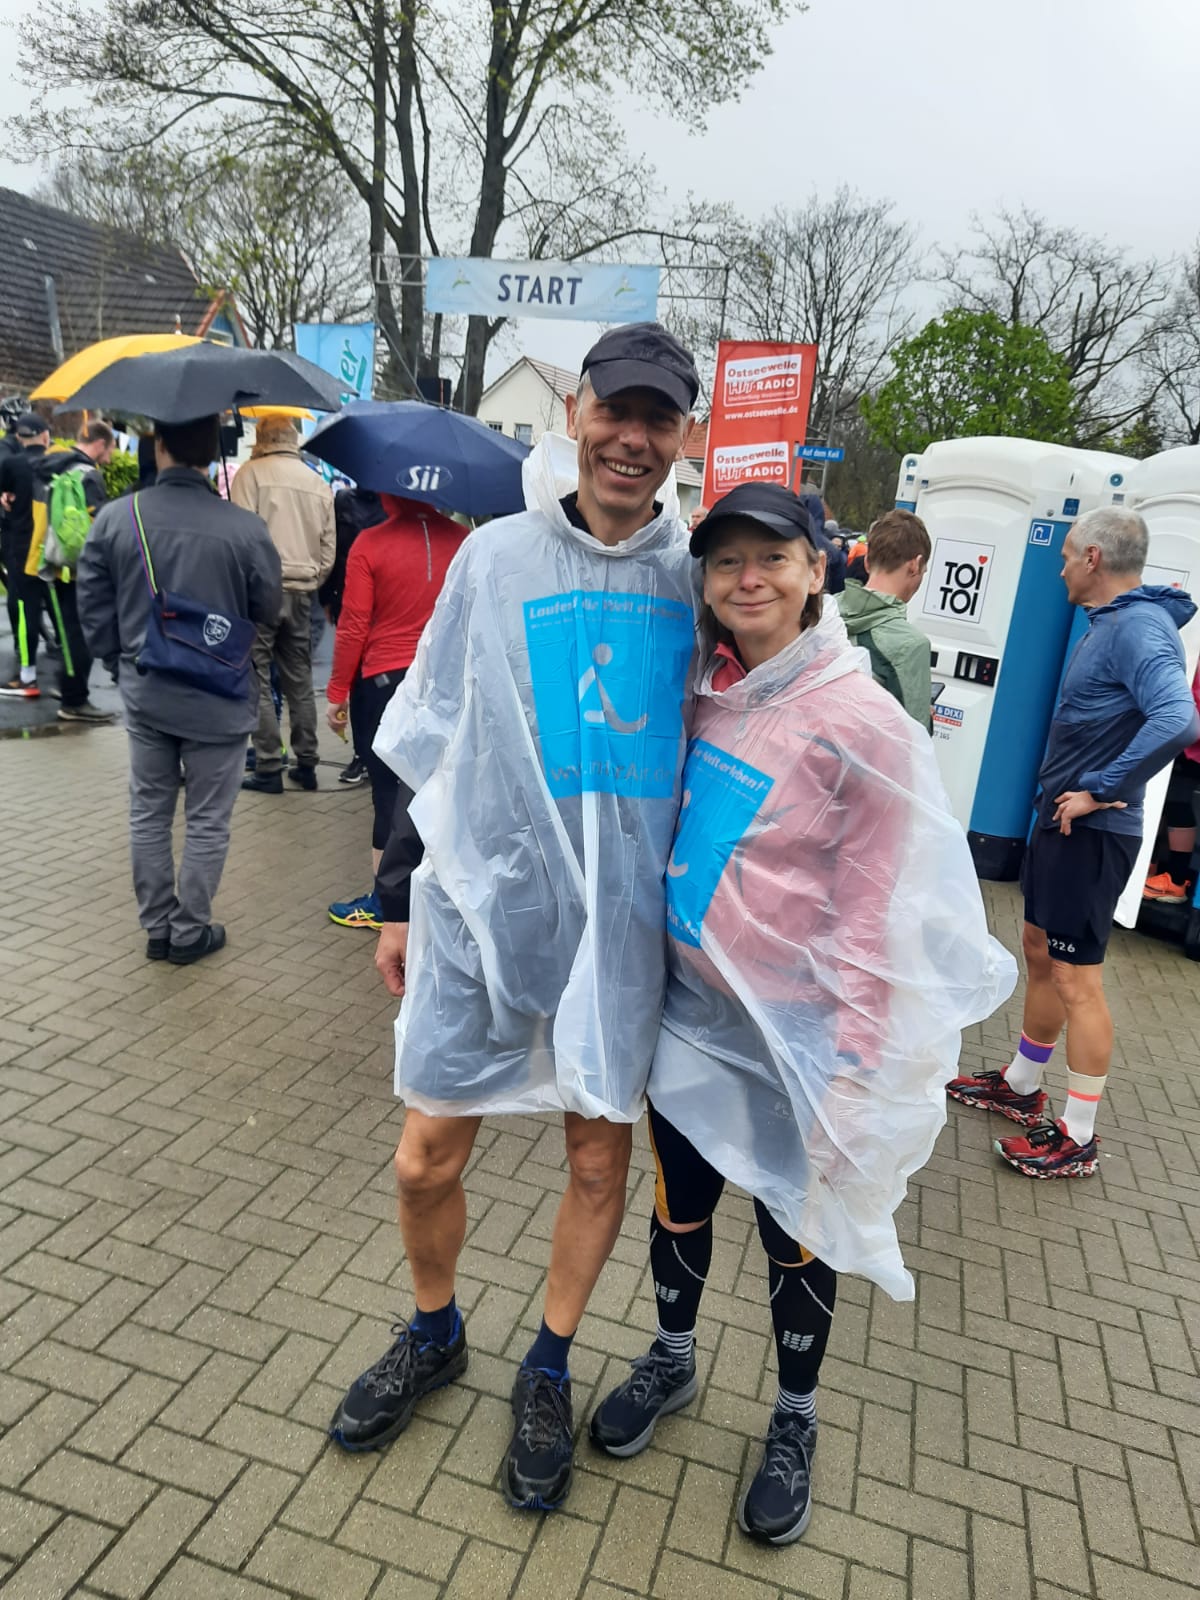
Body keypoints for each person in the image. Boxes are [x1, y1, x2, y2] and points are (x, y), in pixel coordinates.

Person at [588, 484, 1011, 1545]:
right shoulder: (707, 683)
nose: (745, 579)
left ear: (820, 568)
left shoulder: (857, 717)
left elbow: (879, 910)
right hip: (692, 1015)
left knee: (796, 1230)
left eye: (769, 558)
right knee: (681, 1204)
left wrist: (857, 1064)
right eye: (724, 560)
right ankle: (674, 1360)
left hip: (798, 1032)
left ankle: (795, 1417)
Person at [327, 323, 701, 1514]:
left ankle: (547, 1359)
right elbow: (432, 730)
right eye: (616, 411)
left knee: (598, 1155)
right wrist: (395, 897)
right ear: (578, 412)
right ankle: (436, 1330)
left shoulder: (702, 579)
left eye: (659, 420)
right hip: (485, 911)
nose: (632, 439)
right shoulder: (492, 559)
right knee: (425, 1153)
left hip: (623, 930)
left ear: (682, 438)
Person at [948, 507, 1198, 1177]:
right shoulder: (1112, 625)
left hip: (1094, 833)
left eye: (1066, 554)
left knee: (1079, 981)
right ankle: (1023, 1086)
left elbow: (1179, 718)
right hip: (1061, 827)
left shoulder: (1139, 628)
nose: (1058, 564)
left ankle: (1078, 1136)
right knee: (1040, 952)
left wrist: (1101, 787)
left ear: (1093, 559)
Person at [76, 414, 282, 964]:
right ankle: (190, 931)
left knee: (148, 812)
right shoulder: (245, 528)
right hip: (221, 697)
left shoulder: (118, 518)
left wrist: (119, 664)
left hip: (147, 692)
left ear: (159, 445)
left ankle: (157, 928)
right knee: (208, 820)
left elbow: (91, 607)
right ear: (213, 454)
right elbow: (268, 607)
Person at [325, 493, 466, 930]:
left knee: (387, 794)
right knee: (443, 789)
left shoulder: (370, 543)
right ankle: (438, 896)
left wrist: (337, 692)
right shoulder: (466, 540)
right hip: (447, 683)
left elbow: (353, 624)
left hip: (384, 685)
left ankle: (385, 905)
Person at [231, 412, 335, 793]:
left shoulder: (250, 475)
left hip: (261, 590)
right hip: (303, 590)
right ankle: (306, 761)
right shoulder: (318, 483)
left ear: (262, 437)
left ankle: (269, 763)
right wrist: (310, 579)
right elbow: (328, 550)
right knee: (300, 677)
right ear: (293, 439)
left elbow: (241, 538)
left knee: (255, 676)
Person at [30, 419, 118, 723]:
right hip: (83, 567)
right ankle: (75, 700)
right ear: (100, 443)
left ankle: (66, 686)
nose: (109, 458)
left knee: (69, 630)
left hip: (55, 560)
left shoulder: (54, 466)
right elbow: (100, 525)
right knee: (83, 635)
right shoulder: (88, 475)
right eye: (109, 451)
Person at [837, 508, 933, 730]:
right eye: (924, 570)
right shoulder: (911, 645)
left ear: (867, 561)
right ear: (915, 565)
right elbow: (914, 743)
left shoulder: (824, 611)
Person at [321, 484, 386, 787]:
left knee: (367, 683)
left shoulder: (352, 502)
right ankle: (364, 753)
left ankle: (367, 754)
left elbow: (334, 550)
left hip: (373, 598)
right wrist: (330, 597)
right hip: (353, 593)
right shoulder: (345, 500)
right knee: (361, 682)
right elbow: (334, 550)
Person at [0, 413, 51, 698]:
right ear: (44, 437)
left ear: (19, 438)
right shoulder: (59, 462)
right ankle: (74, 683)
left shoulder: (13, 464)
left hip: (22, 546)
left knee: (25, 610)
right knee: (64, 611)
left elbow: (5, 495)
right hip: (57, 548)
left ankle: (27, 676)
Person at [1143, 664, 1200, 902]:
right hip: (1185, 735)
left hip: (1189, 740)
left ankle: (1176, 880)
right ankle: (1153, 869)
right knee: (1165, 803)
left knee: (1176, 801)